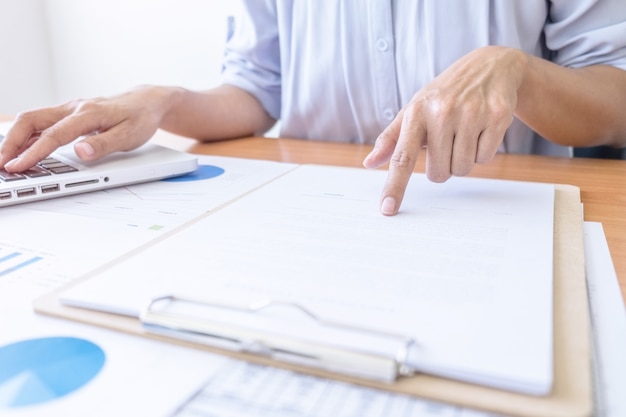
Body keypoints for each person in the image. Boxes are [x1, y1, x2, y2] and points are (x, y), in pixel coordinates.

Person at [1, 1, 626, 216]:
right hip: (316, 209)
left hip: (500, 208)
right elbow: (254, 91)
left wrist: (517, 72)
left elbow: (616, 97)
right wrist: (164, 102)